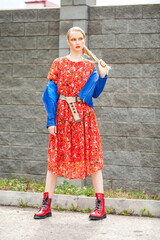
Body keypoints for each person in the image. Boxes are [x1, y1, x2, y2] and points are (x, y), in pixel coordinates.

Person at [34, 27, 110, 221]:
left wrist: (102, 75)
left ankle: (100, 207)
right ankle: (46, 204)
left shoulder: (90, 66)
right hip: (62, 117)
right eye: (74, 39)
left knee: (93, 160)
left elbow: (94, 94)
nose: (77, 42)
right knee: (54, 160)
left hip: (85, 118)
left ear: (84, 40)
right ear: (68, 42)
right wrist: (51, 119)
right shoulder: (59, 63)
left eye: (80, 38)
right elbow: (50, 92)